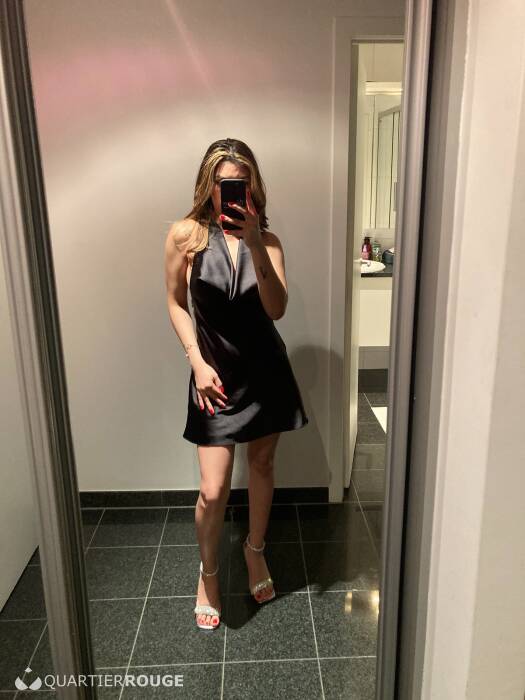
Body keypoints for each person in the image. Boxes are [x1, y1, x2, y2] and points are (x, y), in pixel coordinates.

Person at [164, 138, 308, 631]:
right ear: (208, 186)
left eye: (241, 184)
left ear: (253, 187)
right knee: (213, 489)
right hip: (213, 376)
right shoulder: (185, 237)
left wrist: (253, 244)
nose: (232, 192)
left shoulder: (268, 242)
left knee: (262, 464)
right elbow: (175, 303)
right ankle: (208, 572)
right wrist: (196, 361)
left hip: (266, 373)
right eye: (224, 183)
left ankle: (255, 549)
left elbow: (276, 309)